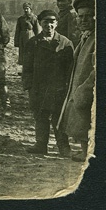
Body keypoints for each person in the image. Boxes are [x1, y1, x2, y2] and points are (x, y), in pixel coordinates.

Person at [23, 10, 74, 156]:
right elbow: (27, 68)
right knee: (40, 116)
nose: (49, 25)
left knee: (59, 117)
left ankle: (64, 147)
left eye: (52, 22)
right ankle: (41, 145)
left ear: (57, 23)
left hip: (59, 88)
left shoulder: (65, 43)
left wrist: (68, 88)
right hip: (39, 88)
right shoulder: (33, 43)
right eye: (45, 22)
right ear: (40, 23)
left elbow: (70, 68)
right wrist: (29, 87)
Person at [59, 0, 95, 162]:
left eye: (89, 16)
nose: (84, 20)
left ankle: (89, 152)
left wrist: (84, 88)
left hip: (89, 88)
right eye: (81, 16)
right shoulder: (86, 37)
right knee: (82, 119)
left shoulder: (97, 38)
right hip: (81, 87)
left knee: (91, 120)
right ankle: (84, 150)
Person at [14, 3, 40, 72]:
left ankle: (31, 69)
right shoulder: (20, 19)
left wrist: (38, 40)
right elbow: (17, 30)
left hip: (30, 36)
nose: (25, 10)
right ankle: (24, 69)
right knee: (23, 53)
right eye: (24, 8)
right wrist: (16, 41)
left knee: (30, 52)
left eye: (27, 8)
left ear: (30, 9)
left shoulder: (34, 18)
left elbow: (37, 30)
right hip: (22, 37)